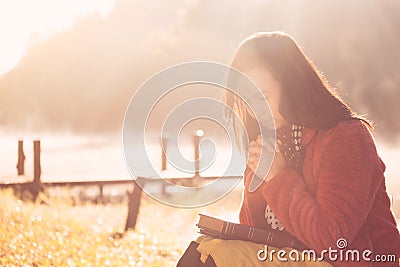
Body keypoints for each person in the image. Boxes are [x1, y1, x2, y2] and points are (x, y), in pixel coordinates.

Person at [177, 31, 400, 266]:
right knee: (205, 251)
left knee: (207, 259)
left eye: (262, 97)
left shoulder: (347, 138)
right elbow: (253, 232)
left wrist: (277, 177)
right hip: (290, 259)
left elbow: (332, 242)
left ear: (293, 85)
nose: (256, 111)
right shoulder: (271, 142)